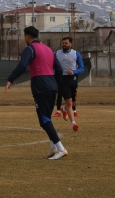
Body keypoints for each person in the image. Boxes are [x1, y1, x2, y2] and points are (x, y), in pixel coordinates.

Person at [6, 27, 68, 160]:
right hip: (52, 86)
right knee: (47, 118)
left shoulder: (30, 49)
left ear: (27, 37)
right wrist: (57, 85)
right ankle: (53, 148)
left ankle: (61, 149)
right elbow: (58, 68)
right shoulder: (48, 49)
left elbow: (23, 65)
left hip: (41, 86)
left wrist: (11, 79)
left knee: (44, 121)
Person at [53, 37, 83, 132]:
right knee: (69, 102)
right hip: (62, 79)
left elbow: (82, 68)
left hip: (73, 80)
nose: (64, 44)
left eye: (66, 43)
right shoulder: (56, 54)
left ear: (71, 44)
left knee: (72, 103)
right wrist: (54, 73)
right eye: (63, 43)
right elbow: (52, 65)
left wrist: (74, 72)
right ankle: (73, 123)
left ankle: (64, 109)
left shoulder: (75, 54)